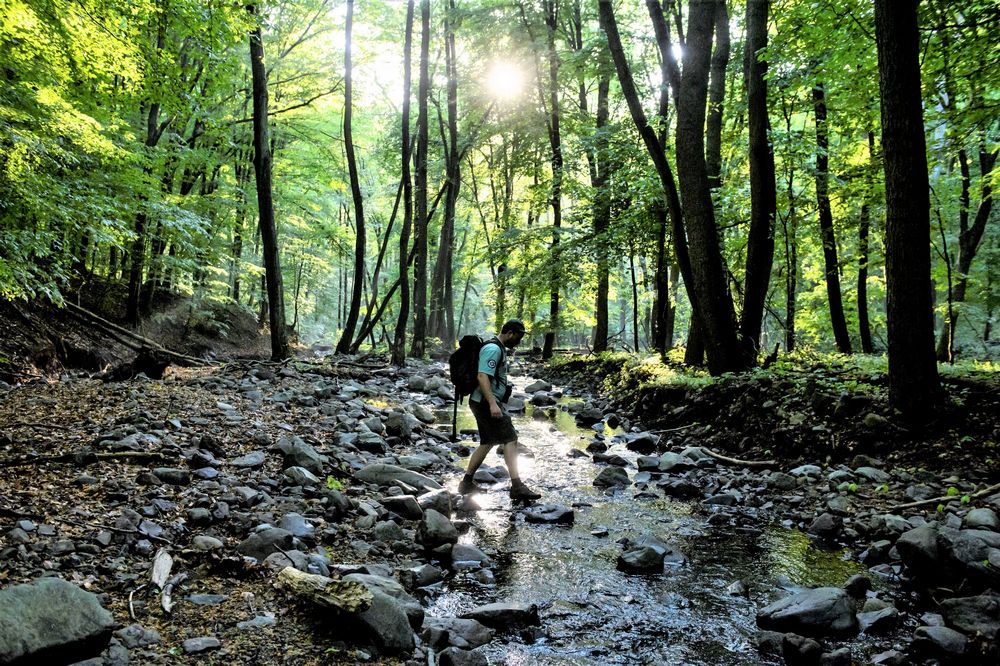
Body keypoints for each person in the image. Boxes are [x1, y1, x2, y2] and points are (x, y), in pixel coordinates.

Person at [458, 319, 541, 501]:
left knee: (487, 442)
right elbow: (482, 376)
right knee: (510, 438)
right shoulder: (493, 349)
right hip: (485, 402)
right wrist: (493, 403)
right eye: (518, 337)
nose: (518, 342)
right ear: (509, 333)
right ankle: (517, 486)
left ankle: (466, 483)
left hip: (483, 402)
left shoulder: (498, 348)